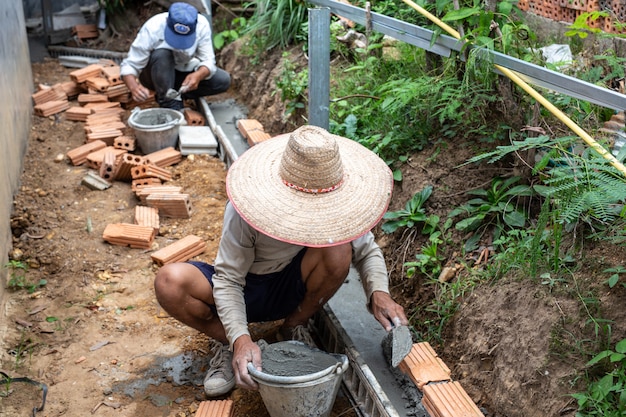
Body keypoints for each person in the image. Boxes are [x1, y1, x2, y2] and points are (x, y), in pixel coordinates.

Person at [154, 125, 409, 397]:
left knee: (339, 251)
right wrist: (239, 337)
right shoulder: (247, 206)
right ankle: (233, 345)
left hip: (291, 285)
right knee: (170, 282)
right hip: (244, 287)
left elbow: (366, 250)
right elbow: (228, 280)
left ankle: (291, 329)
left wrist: (379, 292)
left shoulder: (336, 206)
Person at [120, 2, 231, 110]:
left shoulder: (202, 26)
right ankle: (168, 102)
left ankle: (177, 94)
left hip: (180, 73)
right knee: (162, 54)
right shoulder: (153, 28)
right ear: (167, 22)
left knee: (222, 80)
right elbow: (130, 65)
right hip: (154, 75)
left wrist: (198, 75)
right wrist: (134, 87)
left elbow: (208, 61)